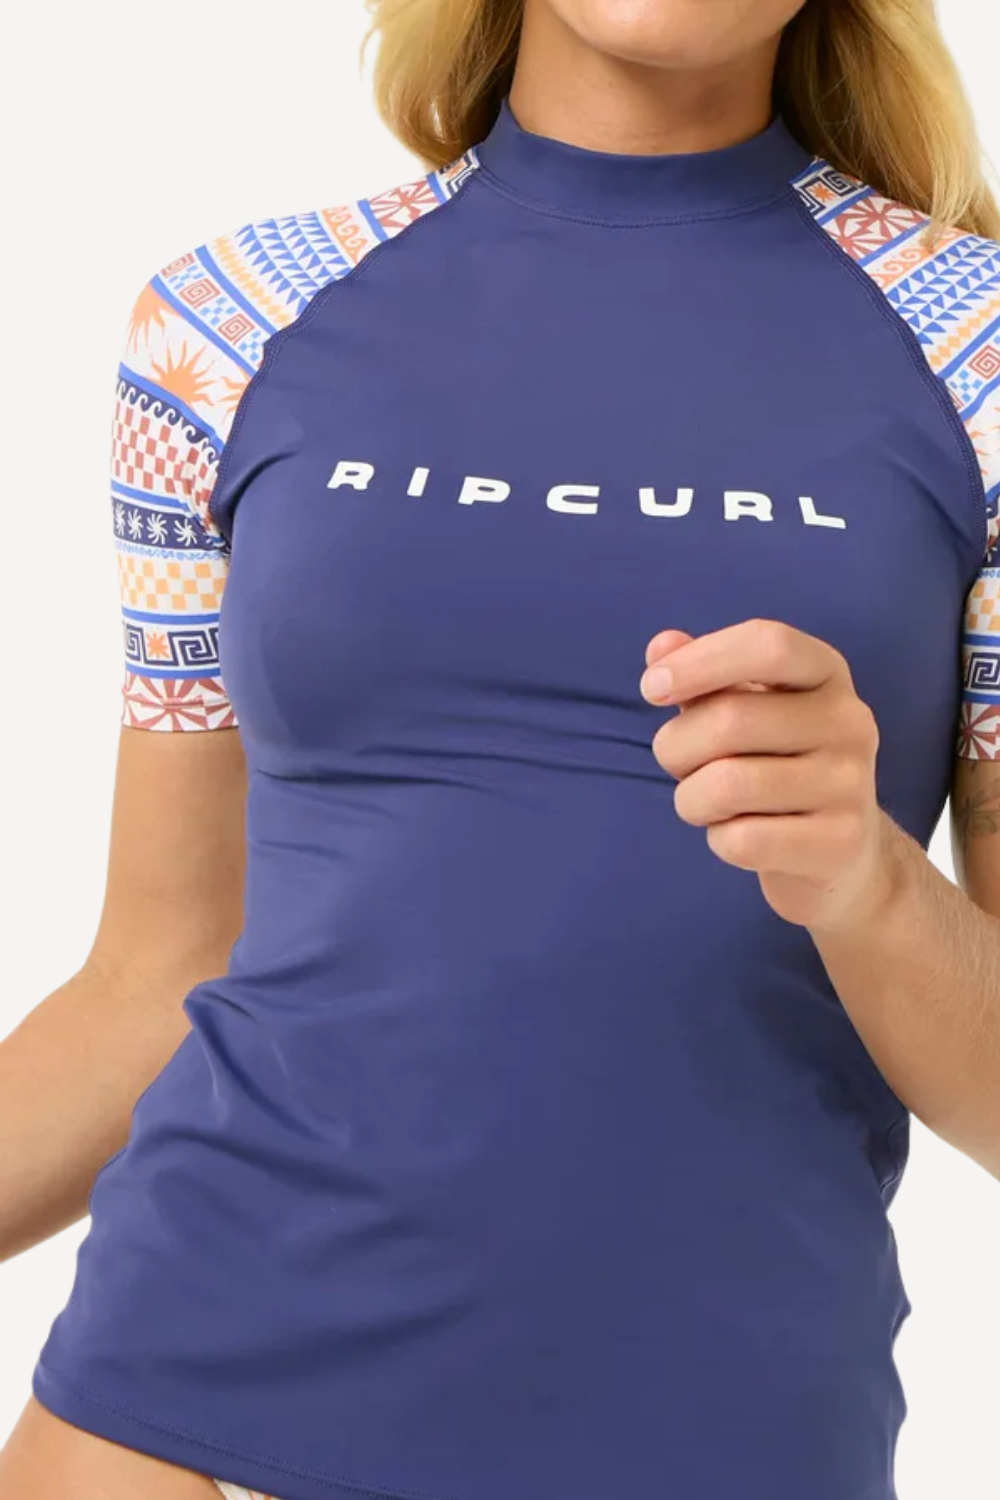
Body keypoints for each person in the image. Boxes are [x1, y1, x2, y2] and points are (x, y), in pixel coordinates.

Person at [2, 0, 1000, 1496]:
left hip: (713, 1438)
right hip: (170, 1419)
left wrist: (867, 880)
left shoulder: (977, 352)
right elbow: (157, 972)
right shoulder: (224, 323)